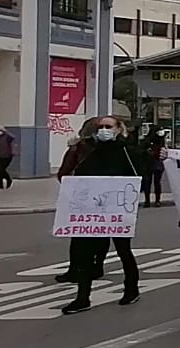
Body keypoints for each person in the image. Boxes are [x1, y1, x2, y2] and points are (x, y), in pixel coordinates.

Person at [60, 116, 145, 314]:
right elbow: (78, 174)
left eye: (108, 127)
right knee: (85, 253)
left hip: (117, 210)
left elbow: (138, 175)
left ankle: (131, 288)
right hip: (94, 210)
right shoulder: (90, 150)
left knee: (123, 250)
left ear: (118, 129)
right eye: (100, 127)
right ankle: (82, 297)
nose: (104, 130)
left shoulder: (127, 150)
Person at [139, 126, 168, 206]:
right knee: (147, 182)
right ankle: (147, 200)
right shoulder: (146, 141)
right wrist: (146, 152)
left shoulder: (161, 141)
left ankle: (157, 200)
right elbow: (140, 150)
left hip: (158, 164)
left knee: (157, 182)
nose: (160, 132)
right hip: (147, 164)